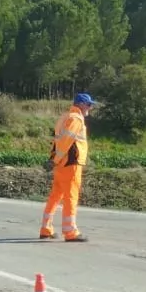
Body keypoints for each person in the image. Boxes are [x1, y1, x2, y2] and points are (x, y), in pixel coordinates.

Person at [40, 92, 95, 242]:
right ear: (82, 104)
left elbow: (57, 141)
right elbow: (66, 141)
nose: (90, 107)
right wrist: (55, 159)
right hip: (71, 164)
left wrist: (53, 160)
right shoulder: (76, 118)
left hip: (61, 165)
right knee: (71, 196)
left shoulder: (64, 117)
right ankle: (70, 232)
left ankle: (46, 229)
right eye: (89, 104)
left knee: (55, 196)